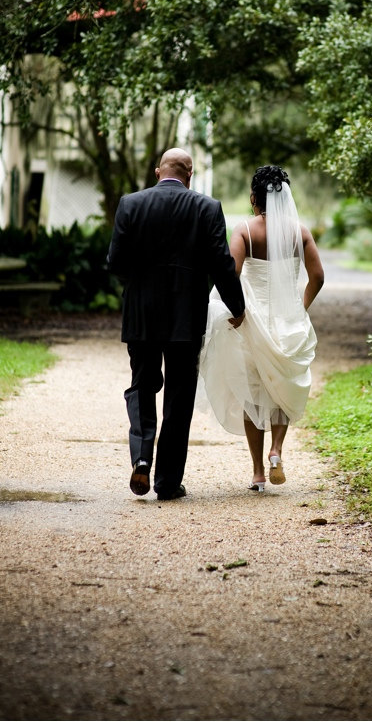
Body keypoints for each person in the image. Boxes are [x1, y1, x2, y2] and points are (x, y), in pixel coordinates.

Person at [108, 147, 246, 501]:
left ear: (158, 171)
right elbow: (221, 263)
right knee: (179, 396)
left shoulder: (130, 203)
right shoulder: (207, 208)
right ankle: (168, 482)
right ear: (190, 174)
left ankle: (141, 457)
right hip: (187, 315)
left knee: (141, 386)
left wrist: (141, 284)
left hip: (141, 313)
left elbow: (116, 262)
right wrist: (237, 306)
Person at [197, 165, 324, 492]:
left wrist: (236, 312)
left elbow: (230, 274)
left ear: (254, 198)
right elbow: (318, 277)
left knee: (253, 394)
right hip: (287, 320)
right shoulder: (301, 232)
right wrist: (301, 307)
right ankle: (277, 451)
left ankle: (256, 473)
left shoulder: (245, 231)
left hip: (252, 321)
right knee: (281, 387)